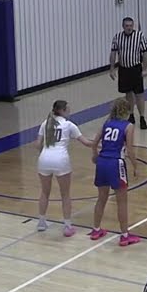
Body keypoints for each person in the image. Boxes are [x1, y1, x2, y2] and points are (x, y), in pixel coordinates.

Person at [34, 100, 96, 237]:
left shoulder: (46, 123)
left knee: (44, 192)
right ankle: (67, 226)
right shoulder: (69, 125)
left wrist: (45, 154)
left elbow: (37, 144)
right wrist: (99, 144)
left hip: (44, 158)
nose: (69, 110)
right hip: (61, 159)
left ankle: (41, 222)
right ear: (62, 110)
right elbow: (86, 143)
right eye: (67, 108)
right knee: (65, 194)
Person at [90, 97, 142, 246]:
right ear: (127, 111)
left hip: (102, 162)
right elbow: (130, 151)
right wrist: (135, 166)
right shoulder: (128, 126)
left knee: (101, 198)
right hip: (116, 164)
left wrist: (95, 155)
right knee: (122, 202)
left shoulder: (106, 123)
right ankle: (125, 235)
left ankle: (96, 230)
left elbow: (94, 143)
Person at [109, 17, 147, 129]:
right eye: (126, 26)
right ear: (123, 26)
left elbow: (145, 52)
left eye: (130, 25)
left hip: (135, 68)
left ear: (133, 26)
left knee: (139, 94)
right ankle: (131, 114)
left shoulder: (139, 36)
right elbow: (113, 53)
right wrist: (112, 68)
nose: (129, 28)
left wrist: (145, 68)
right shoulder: (117, 37)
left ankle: (142, 117)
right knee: (128, 93)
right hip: (123, 68)